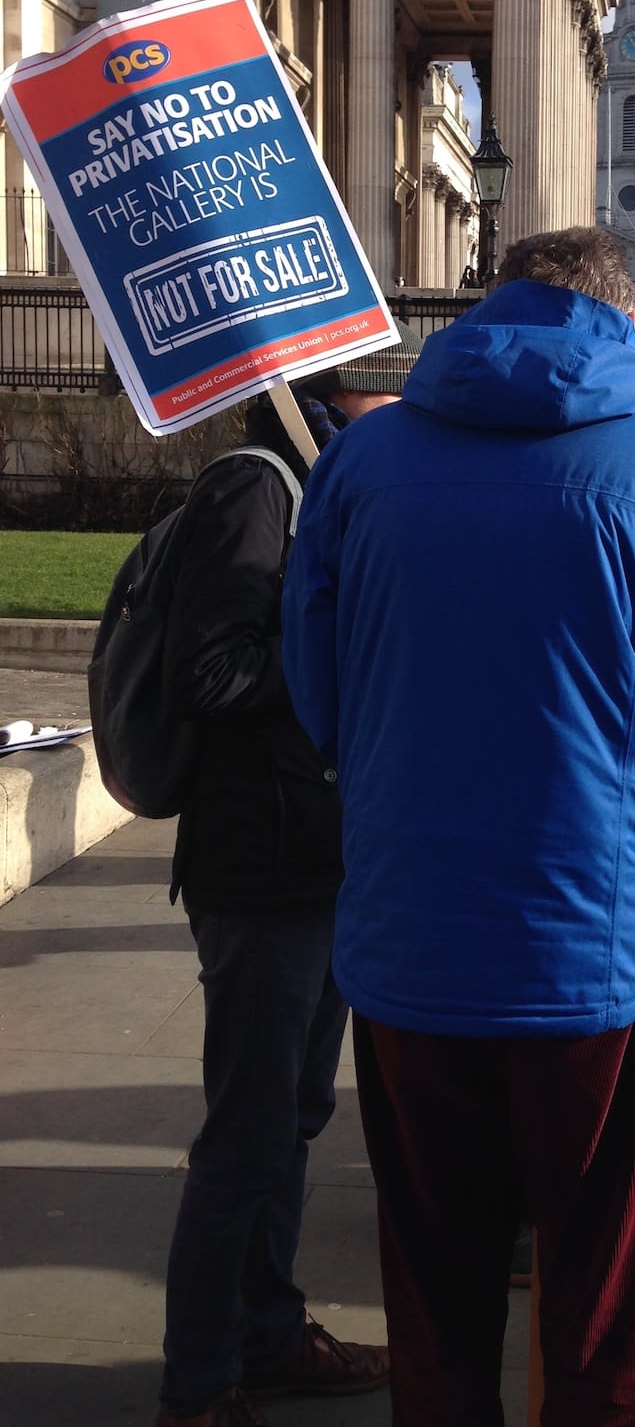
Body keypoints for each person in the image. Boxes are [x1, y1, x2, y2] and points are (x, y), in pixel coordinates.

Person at [280, 227, 635, 1427]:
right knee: (607, 1294)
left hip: (407, 944)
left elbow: (314, 694)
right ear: (621, 319)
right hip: (594, 958)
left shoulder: (362, 459)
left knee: (435, 1290)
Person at [154, 325, 423, 1427]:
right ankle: (199, 1379)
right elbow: (211, 672)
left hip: (316, 861)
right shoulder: (256, 487)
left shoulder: (324, 491)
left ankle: (266, 1336)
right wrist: (347, 640)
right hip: (257, 869)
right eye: (394, 421)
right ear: (347, 404)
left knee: (292, 1118)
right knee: (246, 1132)